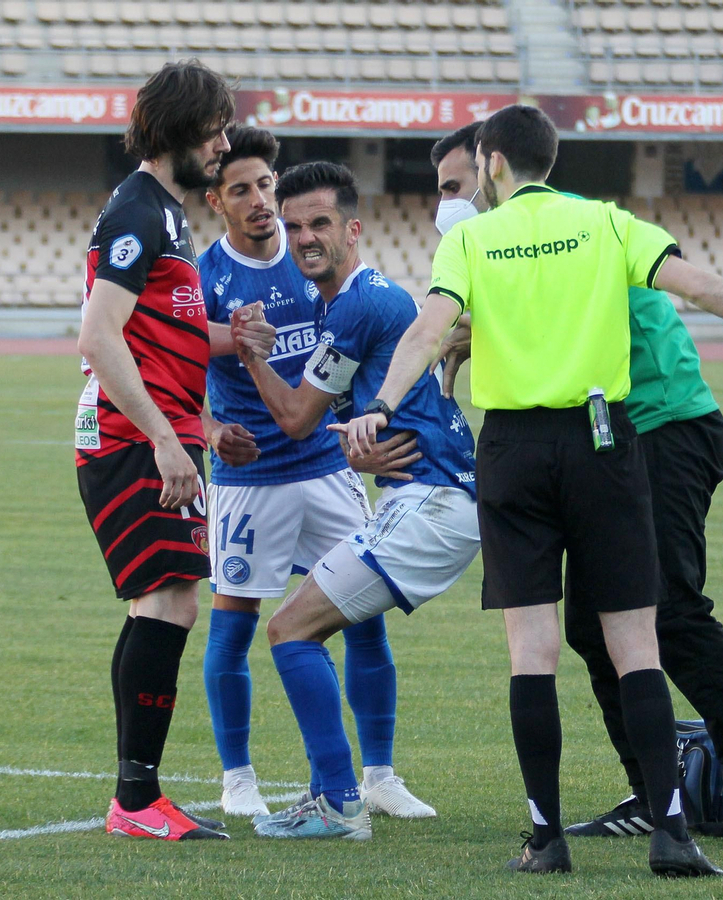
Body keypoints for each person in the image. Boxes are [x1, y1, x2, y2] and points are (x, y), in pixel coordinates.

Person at [333, 104, 723, 877]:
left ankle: (545, 838)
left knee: (534, 649)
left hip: (514, 447)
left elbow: (428, 328)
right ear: (551, 159)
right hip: (604, 438)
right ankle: (670, 832)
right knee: (634, 640)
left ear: (490, 165)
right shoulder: (608, 224)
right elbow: (706, 288)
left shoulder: (474, 240)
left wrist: (380, 404)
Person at [430, 122, 723, 851]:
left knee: (671, 609)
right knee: (591, 627)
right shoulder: (518, 238)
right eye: (442, 192)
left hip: (660, 423)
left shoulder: (568, 231)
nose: (452, 202)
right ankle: (652, 791)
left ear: (492, 168)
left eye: (456, 185)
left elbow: (560, 333)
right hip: (604, 437)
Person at [224, 161, 479, 841]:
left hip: (430, 503)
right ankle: (359, 786)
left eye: (320, 224)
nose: (305, 237)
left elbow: (297, 420)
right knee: (316, 627)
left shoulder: (360, 302)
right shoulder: (350, 302)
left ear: (353, 230)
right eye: (295, 224)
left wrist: (252, 357)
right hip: (427, 499)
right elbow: (368, 413)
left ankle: (339, 801)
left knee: (287, 630)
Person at [196, 127, 432, 820]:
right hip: (249, 481)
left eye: (267, 183)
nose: (262, 200)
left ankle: (380, 773)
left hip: (327, 467)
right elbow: (174, 380)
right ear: (218, 201)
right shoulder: (204, 277)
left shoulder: (317, 265)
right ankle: (238, 777)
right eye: (242, 188)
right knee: (233, 627)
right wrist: (211, 433)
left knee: (362, 618)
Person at [74, 60, 240, 842]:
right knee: (171, 597)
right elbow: (99, 337)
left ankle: (134, 797)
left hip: (156, 435)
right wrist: (168, 440)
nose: (223, 144)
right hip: (135, 438)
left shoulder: (166, 215)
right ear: (178, 130)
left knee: (161, 599)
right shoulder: (139, 214)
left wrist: (226, 341)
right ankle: (136, 801)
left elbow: (156, 330)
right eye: (214, 131)